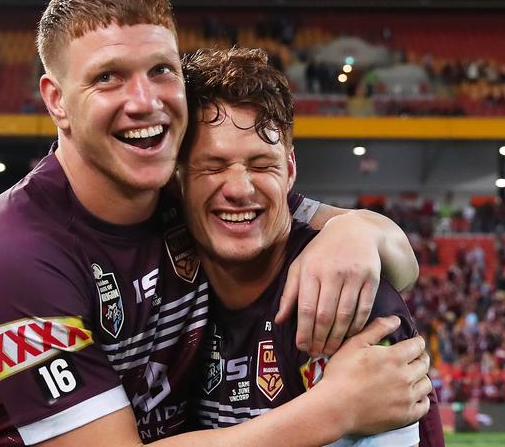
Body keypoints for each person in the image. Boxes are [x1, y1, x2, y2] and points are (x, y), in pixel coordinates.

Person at [0, 0, 427, 445]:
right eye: (108, 77)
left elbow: (398, 259)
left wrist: (356, 232)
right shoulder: (13, 257)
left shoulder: (184, 197)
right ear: (57, 100)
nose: (145, 101)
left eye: (161, 70)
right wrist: (335, 410)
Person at [178, 47, 443, 446]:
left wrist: (358, 227)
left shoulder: (345, 289)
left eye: (261, 165)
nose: (238, 189)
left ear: (290, 170)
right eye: (213, 166)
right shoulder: (156, 270)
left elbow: (402, 260)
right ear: (176, 178)